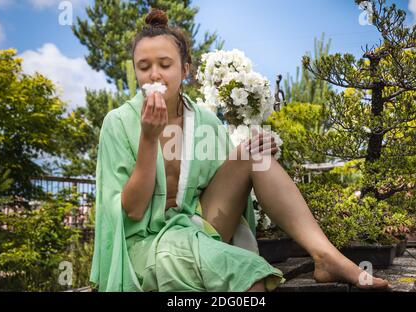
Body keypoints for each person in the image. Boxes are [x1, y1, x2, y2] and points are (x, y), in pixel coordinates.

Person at [90, 8, 390, 292]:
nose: (154, 75)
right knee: (248, 276)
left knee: (255, 156)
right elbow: (132, 210)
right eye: (144, 67)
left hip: (197, 227)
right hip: (146, 241)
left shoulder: (204, 121)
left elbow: (223, 187)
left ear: (185, 70)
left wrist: (253, 151)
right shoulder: (118, 123)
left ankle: (326, 256)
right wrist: (148, 140)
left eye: (164, 64)